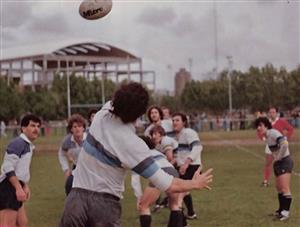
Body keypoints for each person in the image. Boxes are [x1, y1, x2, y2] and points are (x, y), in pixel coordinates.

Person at [59, 82, 213, 227]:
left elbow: (114, 102)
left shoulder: (101, 116)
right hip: (105, 206)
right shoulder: (134, 145)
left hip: (76, 198)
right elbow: (168, 183)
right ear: (139, 114)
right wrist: (195, 184)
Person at [131, 136, 184, 227]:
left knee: (143, 206)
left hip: (160, 174)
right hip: (173, 172)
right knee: (174, 205)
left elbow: (135, 179)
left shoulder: (138, 156)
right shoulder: (158, 153)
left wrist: (139, 197)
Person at [0, 114, 41, 227]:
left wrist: (25, 185)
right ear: (23, 128)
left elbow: (21, 170)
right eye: (32, 125)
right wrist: (18, 188)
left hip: (16, 185)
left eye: (38, 126)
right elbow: (7, 167)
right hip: (8, 187)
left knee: (22, 223)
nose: (36, 129)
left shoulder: (27, 145)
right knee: (7, 225)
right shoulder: (18, 143)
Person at [254, 117, 293, 221]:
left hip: (284, 161)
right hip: (279, 163)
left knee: (285, 188)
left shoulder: (273, 133)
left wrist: (279, 157)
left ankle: (285, 213)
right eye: (257, 126)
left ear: (266, 125)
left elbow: (284, 144)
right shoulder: (267, 136)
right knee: (279, 188)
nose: (258, 128)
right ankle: (280, 210)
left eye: (260, 125)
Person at [172, 112, 203, 220]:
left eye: (177, 120)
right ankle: (190, 213)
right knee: (182, 191)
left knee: (180, 193)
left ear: (184, 122)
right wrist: (176, 162)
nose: (174, 122)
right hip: (185, 166)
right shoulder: (179, 135)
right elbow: (183, 153)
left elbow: (198, 147)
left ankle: (180, 220)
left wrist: (186, 163)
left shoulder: (189, 132)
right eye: (173, 120)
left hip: (192, 166)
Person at [259, 107, 294, 187]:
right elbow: (259, 130)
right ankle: (266, 181)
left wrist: (286, 138)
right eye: (270, 112)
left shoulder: (281, 121)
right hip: (270, 145)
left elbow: (291, 129)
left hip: (279, 146)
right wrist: (263, 138)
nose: (272, 114)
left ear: (276, 113)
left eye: (273, 112)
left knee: (280, 162)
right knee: (268, 163)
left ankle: (282, 180)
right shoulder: (266, 122)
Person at [58, 114, 87, 195]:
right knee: (69, 186)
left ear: (83, 128)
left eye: (80, 126)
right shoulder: (67, 141)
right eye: (75, 126)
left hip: (90, 168)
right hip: (76, 167)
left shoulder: (90, 140)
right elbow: (62, 154)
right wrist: (66, 169)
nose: (77, 128)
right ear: (71, 129)